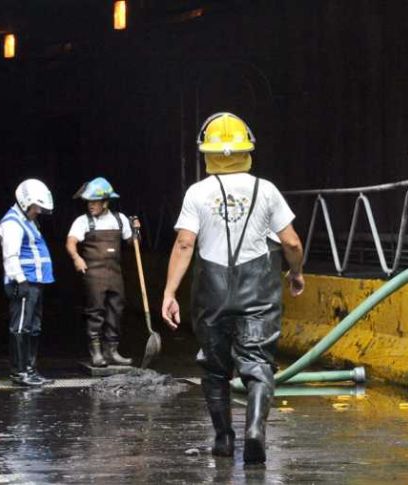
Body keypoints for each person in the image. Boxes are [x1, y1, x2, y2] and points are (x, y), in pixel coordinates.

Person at [161, 112, 305, 464]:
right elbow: (292, 242)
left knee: (214, 368)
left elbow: (184, 244)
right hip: (258, 288)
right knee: (257, 364)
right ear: (247, 148)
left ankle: (224, 438)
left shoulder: (197, 193)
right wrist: (296, 272)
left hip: (211, 289)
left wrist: (169, 292)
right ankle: (255, 430)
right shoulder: (266, 189)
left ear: (206, 152)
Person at [65, 177, 141, 367]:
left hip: (115, 274)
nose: (90, 206)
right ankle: (96, 353)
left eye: (95, 202)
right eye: (89, 202)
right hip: (94, 275)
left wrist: (137, 231)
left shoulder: (119, 219)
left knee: (116, 310)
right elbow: (71, 242)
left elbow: (132, 242)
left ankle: (112, 351)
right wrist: (77, 258)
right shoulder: (83, 221)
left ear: (105, 202)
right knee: (96, 311)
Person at [0, 178, 56, 386]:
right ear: (25, 203)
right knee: (21, 327)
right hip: (24, 283)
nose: (38, 211)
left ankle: (30, 370)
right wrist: (21, 280)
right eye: (36, 207)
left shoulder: (27, 220)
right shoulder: (12, 223)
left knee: (33, 327)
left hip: (35, 282)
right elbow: (10, 255)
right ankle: (19, 372)